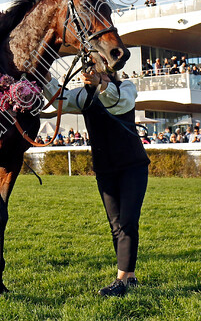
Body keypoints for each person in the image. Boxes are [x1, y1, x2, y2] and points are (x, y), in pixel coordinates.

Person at [45, 71, 148, 297]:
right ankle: (129, 277)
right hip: (104, 169)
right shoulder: (84, 94)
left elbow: (118, 103)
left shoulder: (127, 87)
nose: (90, 71)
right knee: (117, 225)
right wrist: (44, 77)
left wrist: (101, 84)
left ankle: (120, 281)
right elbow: (58, 100)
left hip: (133, 166)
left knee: (128, 221)